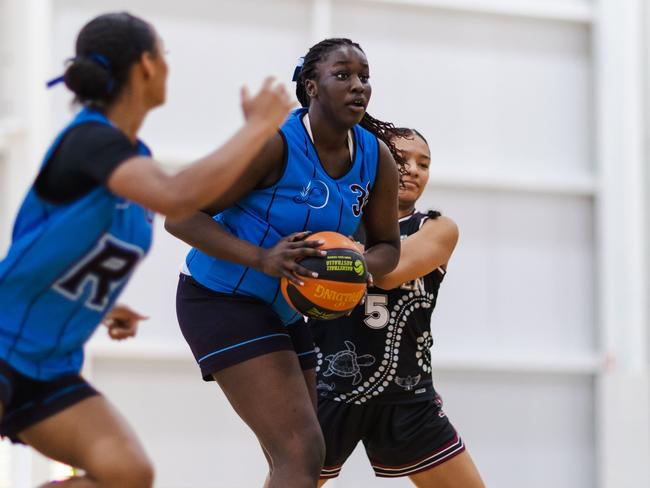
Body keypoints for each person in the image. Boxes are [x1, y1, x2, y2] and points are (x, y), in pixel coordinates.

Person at [0, 12, 293, 488]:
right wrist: (257, 129)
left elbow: (60, 254)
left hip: (48, 366)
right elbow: (178, 197)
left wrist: (97, 303)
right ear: (147, 65)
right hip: (4, 343)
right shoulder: (90, 139)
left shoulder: (134, 159)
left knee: (127, 474)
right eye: (165, 55)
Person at [165, 38, 405, 488]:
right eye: (343, 75)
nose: (358, 86)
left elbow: (388, 247)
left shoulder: (377, 158)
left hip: (286, 307)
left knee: (298, 457)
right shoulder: (273, 146)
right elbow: (179, 216)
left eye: (364, 77)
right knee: (301, 449)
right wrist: (263, 257)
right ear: (311, 86)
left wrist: (359, 264)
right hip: (220, 297)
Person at [312, 129, 486, 488]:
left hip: (407, 394)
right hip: (330, 387)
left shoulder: (436, 227)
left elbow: (388, 272)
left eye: (423, 163)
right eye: (401, 159)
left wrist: (335, 259)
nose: (414, 169)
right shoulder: (335, 220)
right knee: (288, 479)